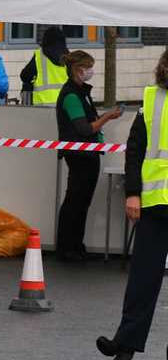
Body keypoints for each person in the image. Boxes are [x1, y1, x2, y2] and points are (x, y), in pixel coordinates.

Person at [97, 48, 168, 360]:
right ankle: (124, 343)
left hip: (154, 206)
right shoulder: (152, 100)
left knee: (144, 277)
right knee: (143, 278)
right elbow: (135, 151)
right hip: (153, 206)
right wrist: (132, 193)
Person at [54, 50, 122, 262]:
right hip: (80, 154)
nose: (92, 71)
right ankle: (68, 247)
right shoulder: (72, 95)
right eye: (89, 67)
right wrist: (107, 117)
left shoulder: (81, 92)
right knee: (76, 200)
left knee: (81, 200)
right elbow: (84, 129)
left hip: (87, 153)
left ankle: (75, 245)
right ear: (78, 69)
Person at [21, 26, 69, 106]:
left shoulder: (39, 56)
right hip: (65, 105)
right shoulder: (69, 57)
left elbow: (25, 76)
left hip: (42, 107)